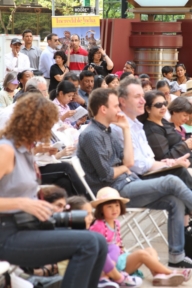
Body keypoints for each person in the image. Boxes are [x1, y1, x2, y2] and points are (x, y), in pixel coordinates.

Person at [0, 93, 108, 288]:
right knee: (89, 244)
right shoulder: (6, 151)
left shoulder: (25, 152)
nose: (48, 131)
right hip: (7, 234)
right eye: (46, 125)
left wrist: (55, 210)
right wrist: (22, 203)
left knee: (98, 241)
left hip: (27, 227)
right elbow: (21, 201)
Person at [77, 86, 192, 268]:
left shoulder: (109, 131)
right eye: (116, 106)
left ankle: (176, 256)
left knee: (174, 200)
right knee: (172, 181)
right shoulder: (91, 135)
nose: (118, 110)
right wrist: (124, 168)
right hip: (115, 193)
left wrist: (125, 129)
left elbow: (129, 162)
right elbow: (107, 174)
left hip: (130, 183)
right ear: (103, 109)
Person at [90, 187, 191, 287]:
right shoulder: (98, 226)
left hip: (120, 258)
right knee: (141, 254)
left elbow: (119, 243)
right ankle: (171, 272)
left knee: (151, 250)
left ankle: (158, 276)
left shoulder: (116, 223)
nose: (114, 209)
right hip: (111, 267)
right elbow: (95, 250)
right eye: (109, 206)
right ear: (101, 209)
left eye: (117, 205)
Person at [138, 91, 192, 166]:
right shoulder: (152, 130)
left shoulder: (163, 121)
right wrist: (185, 145)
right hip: (177, 167)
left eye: (165, 103)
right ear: (148, 109)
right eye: (158, 105)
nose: (163, 107)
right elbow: (164, 159)